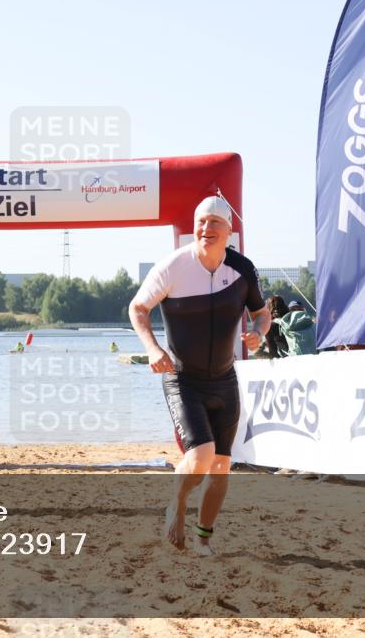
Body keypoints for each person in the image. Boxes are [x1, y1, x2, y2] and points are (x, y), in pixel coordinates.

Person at [129, 195, 269, 555]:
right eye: (200, 222)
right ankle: (176, 502)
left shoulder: (242, 269)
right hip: (183, 379)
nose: (206, 229)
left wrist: (259, 331)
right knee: (202, 454)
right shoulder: (173, 266)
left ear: (229, 231)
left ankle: (204, 538)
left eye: (214, 223)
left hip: (224, 379)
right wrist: (152, 348)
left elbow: (261, 313)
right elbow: (138, 308)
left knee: (221, 465)